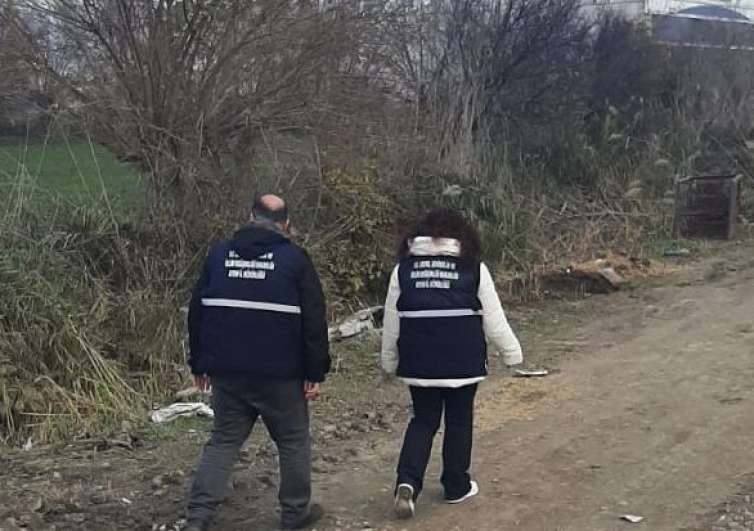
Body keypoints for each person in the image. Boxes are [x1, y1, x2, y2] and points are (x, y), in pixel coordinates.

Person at [185, 194, 331, 531]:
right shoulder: (295, 259)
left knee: (223, 441)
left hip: (228, 372)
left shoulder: (219, 255)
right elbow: (314, 318)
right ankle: (295, 516)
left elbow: (198, 312)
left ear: (250, 217)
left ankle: (198, 518)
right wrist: (315, 371)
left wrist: (199, 363)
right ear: (287, 225)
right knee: (293, 441)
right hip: (282, 375)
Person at [381, 208, 523, 519]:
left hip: (418, 362)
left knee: (423, 421)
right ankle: (456, 485)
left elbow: (392, 321)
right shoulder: (473, 267)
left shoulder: (403, 270)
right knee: (459, 420)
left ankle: (407, 482)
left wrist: (388, 361)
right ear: (460, 235)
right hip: (463, 360)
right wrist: (512, 353)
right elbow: (493, 319)